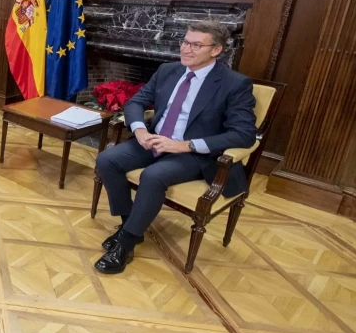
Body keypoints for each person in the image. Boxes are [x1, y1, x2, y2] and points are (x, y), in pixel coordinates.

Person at [93, 21, 256, 274]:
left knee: (153, 176)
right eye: (185, 42)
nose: (186, 49)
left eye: (196, 45)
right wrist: (140, 130)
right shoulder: (168, 70)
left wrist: (185, 145)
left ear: (216, 50)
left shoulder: (234, 84)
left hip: (193, 153)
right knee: (107, 160)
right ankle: (130, 226)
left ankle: (125, 245)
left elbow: (244, 134)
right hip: (154, 139)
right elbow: (136, 102)